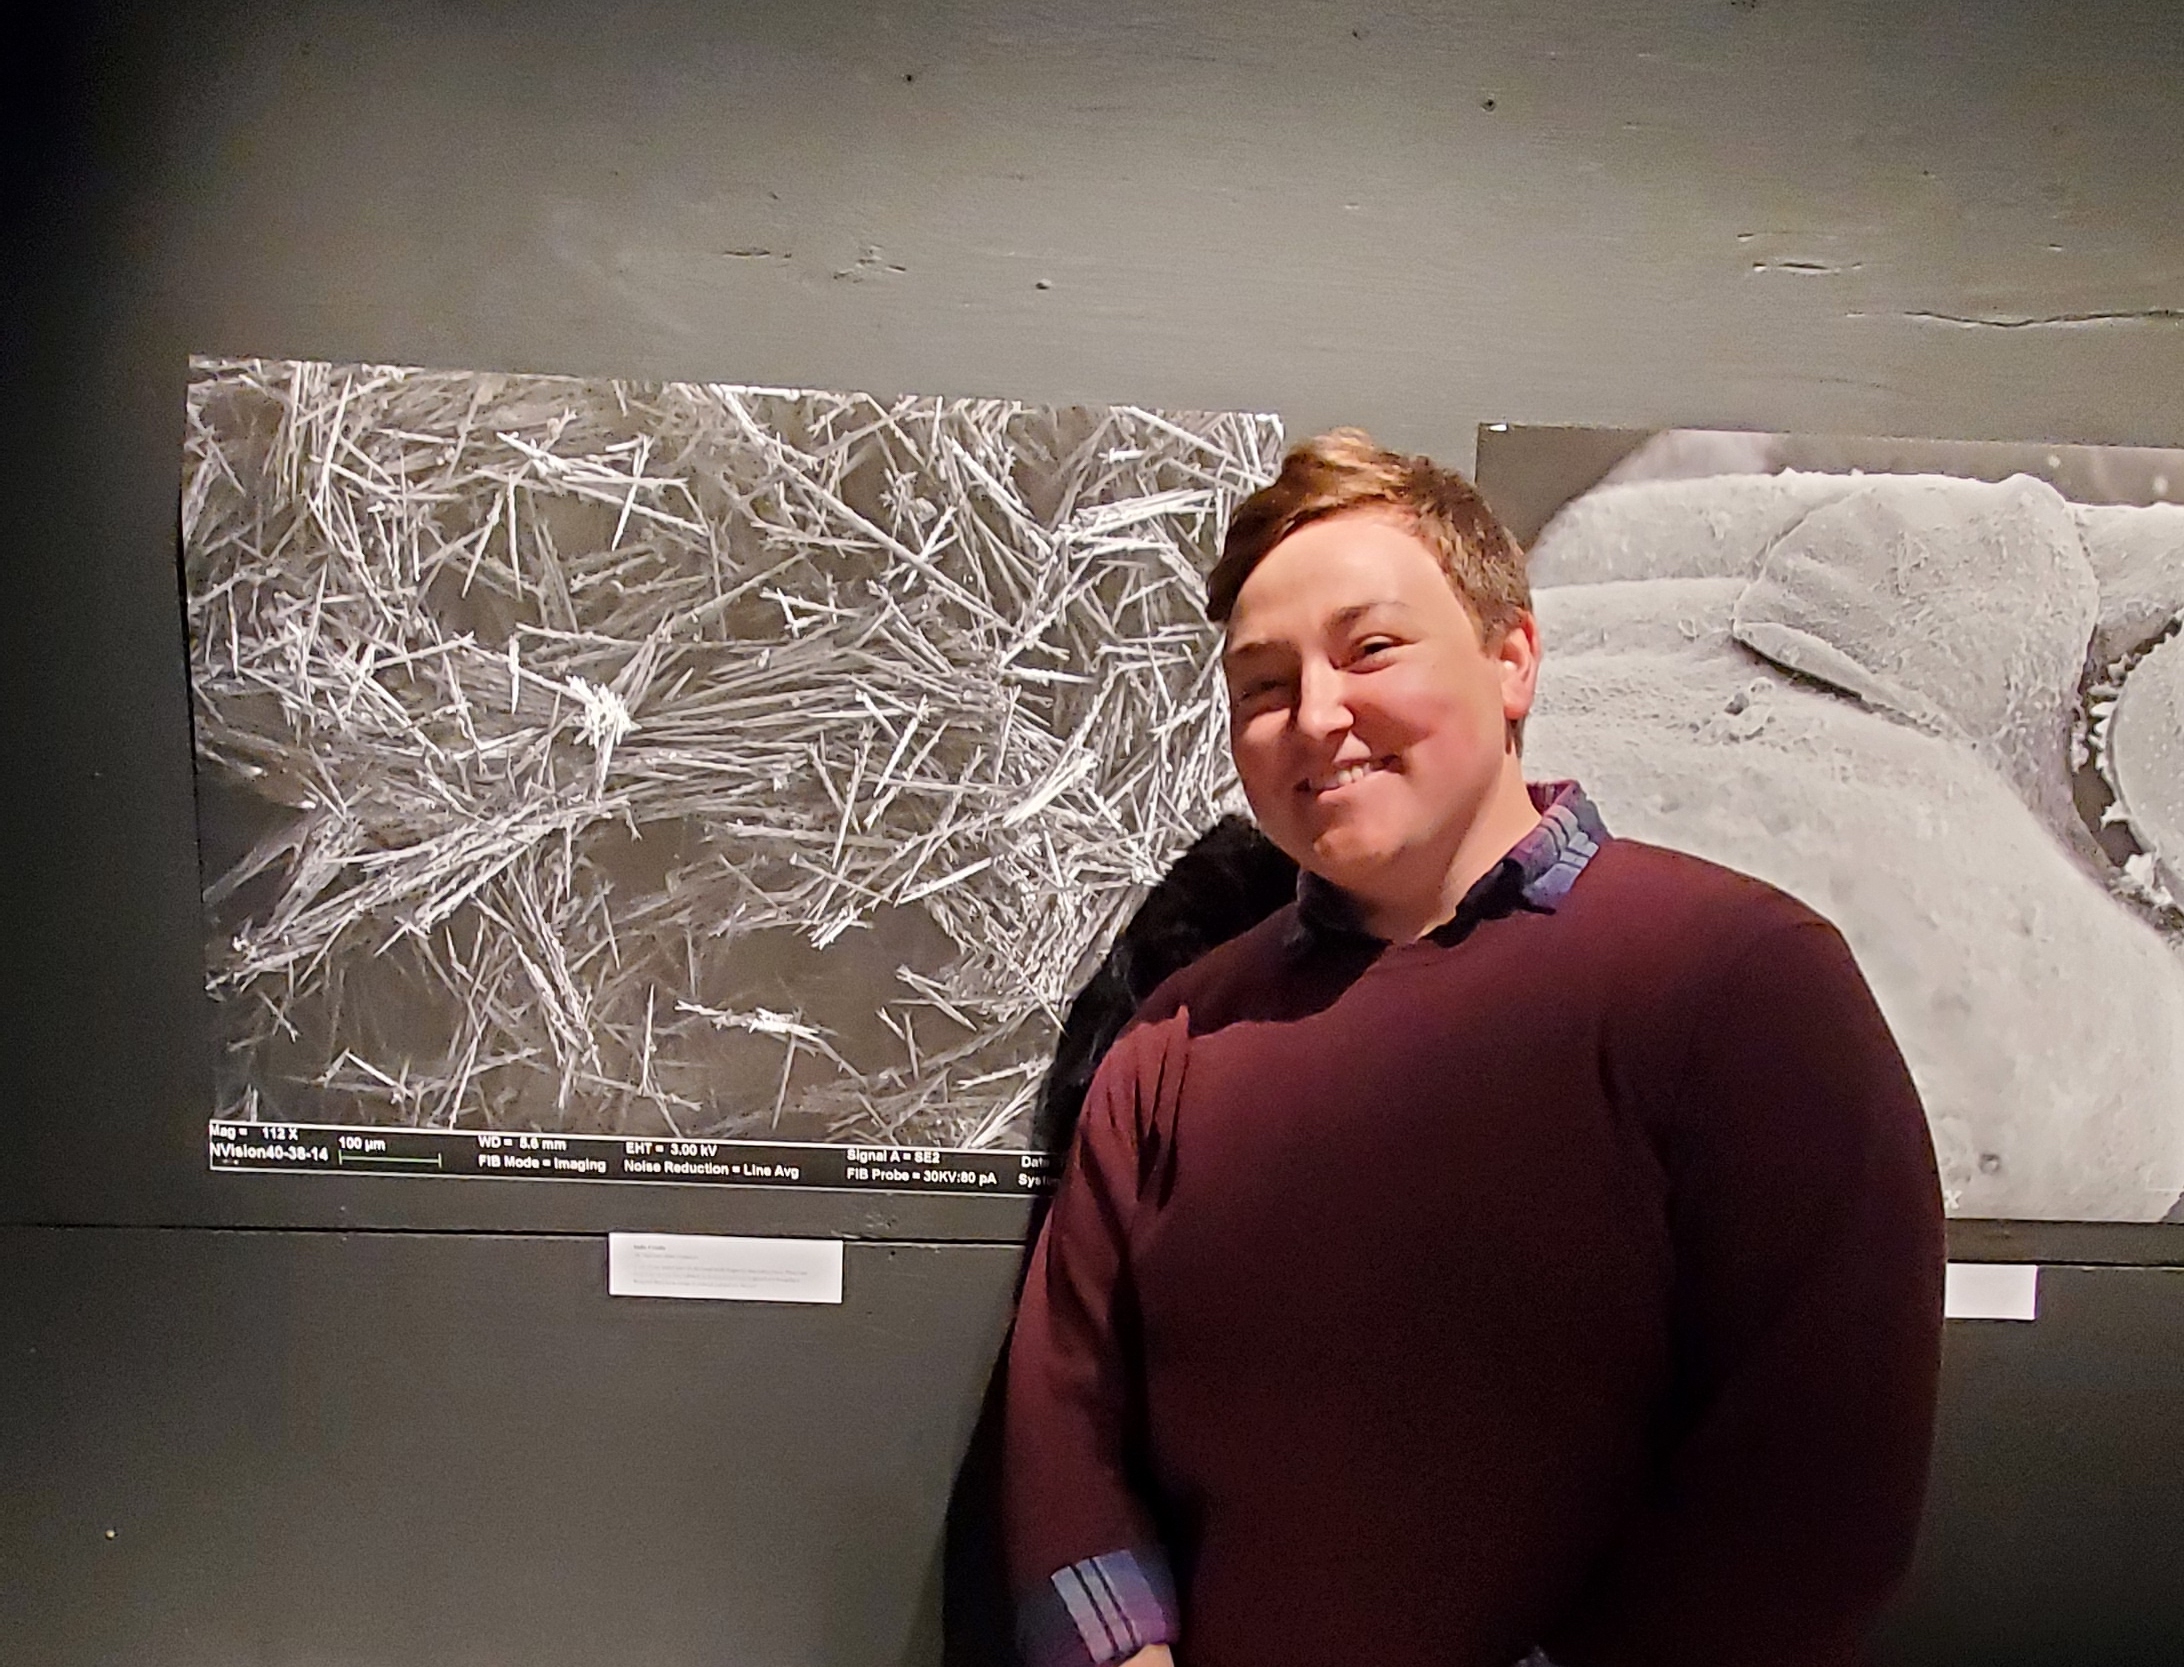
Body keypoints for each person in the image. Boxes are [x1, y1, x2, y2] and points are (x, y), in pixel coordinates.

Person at [1001, 430, 1947, 1667]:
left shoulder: (1743, 983)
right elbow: (1068, 1411)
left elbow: (1817, 1476)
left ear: (1513, 658)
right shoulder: (1176, 1044)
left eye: (1370, 648)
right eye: (1263, 684)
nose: (1317, 716)